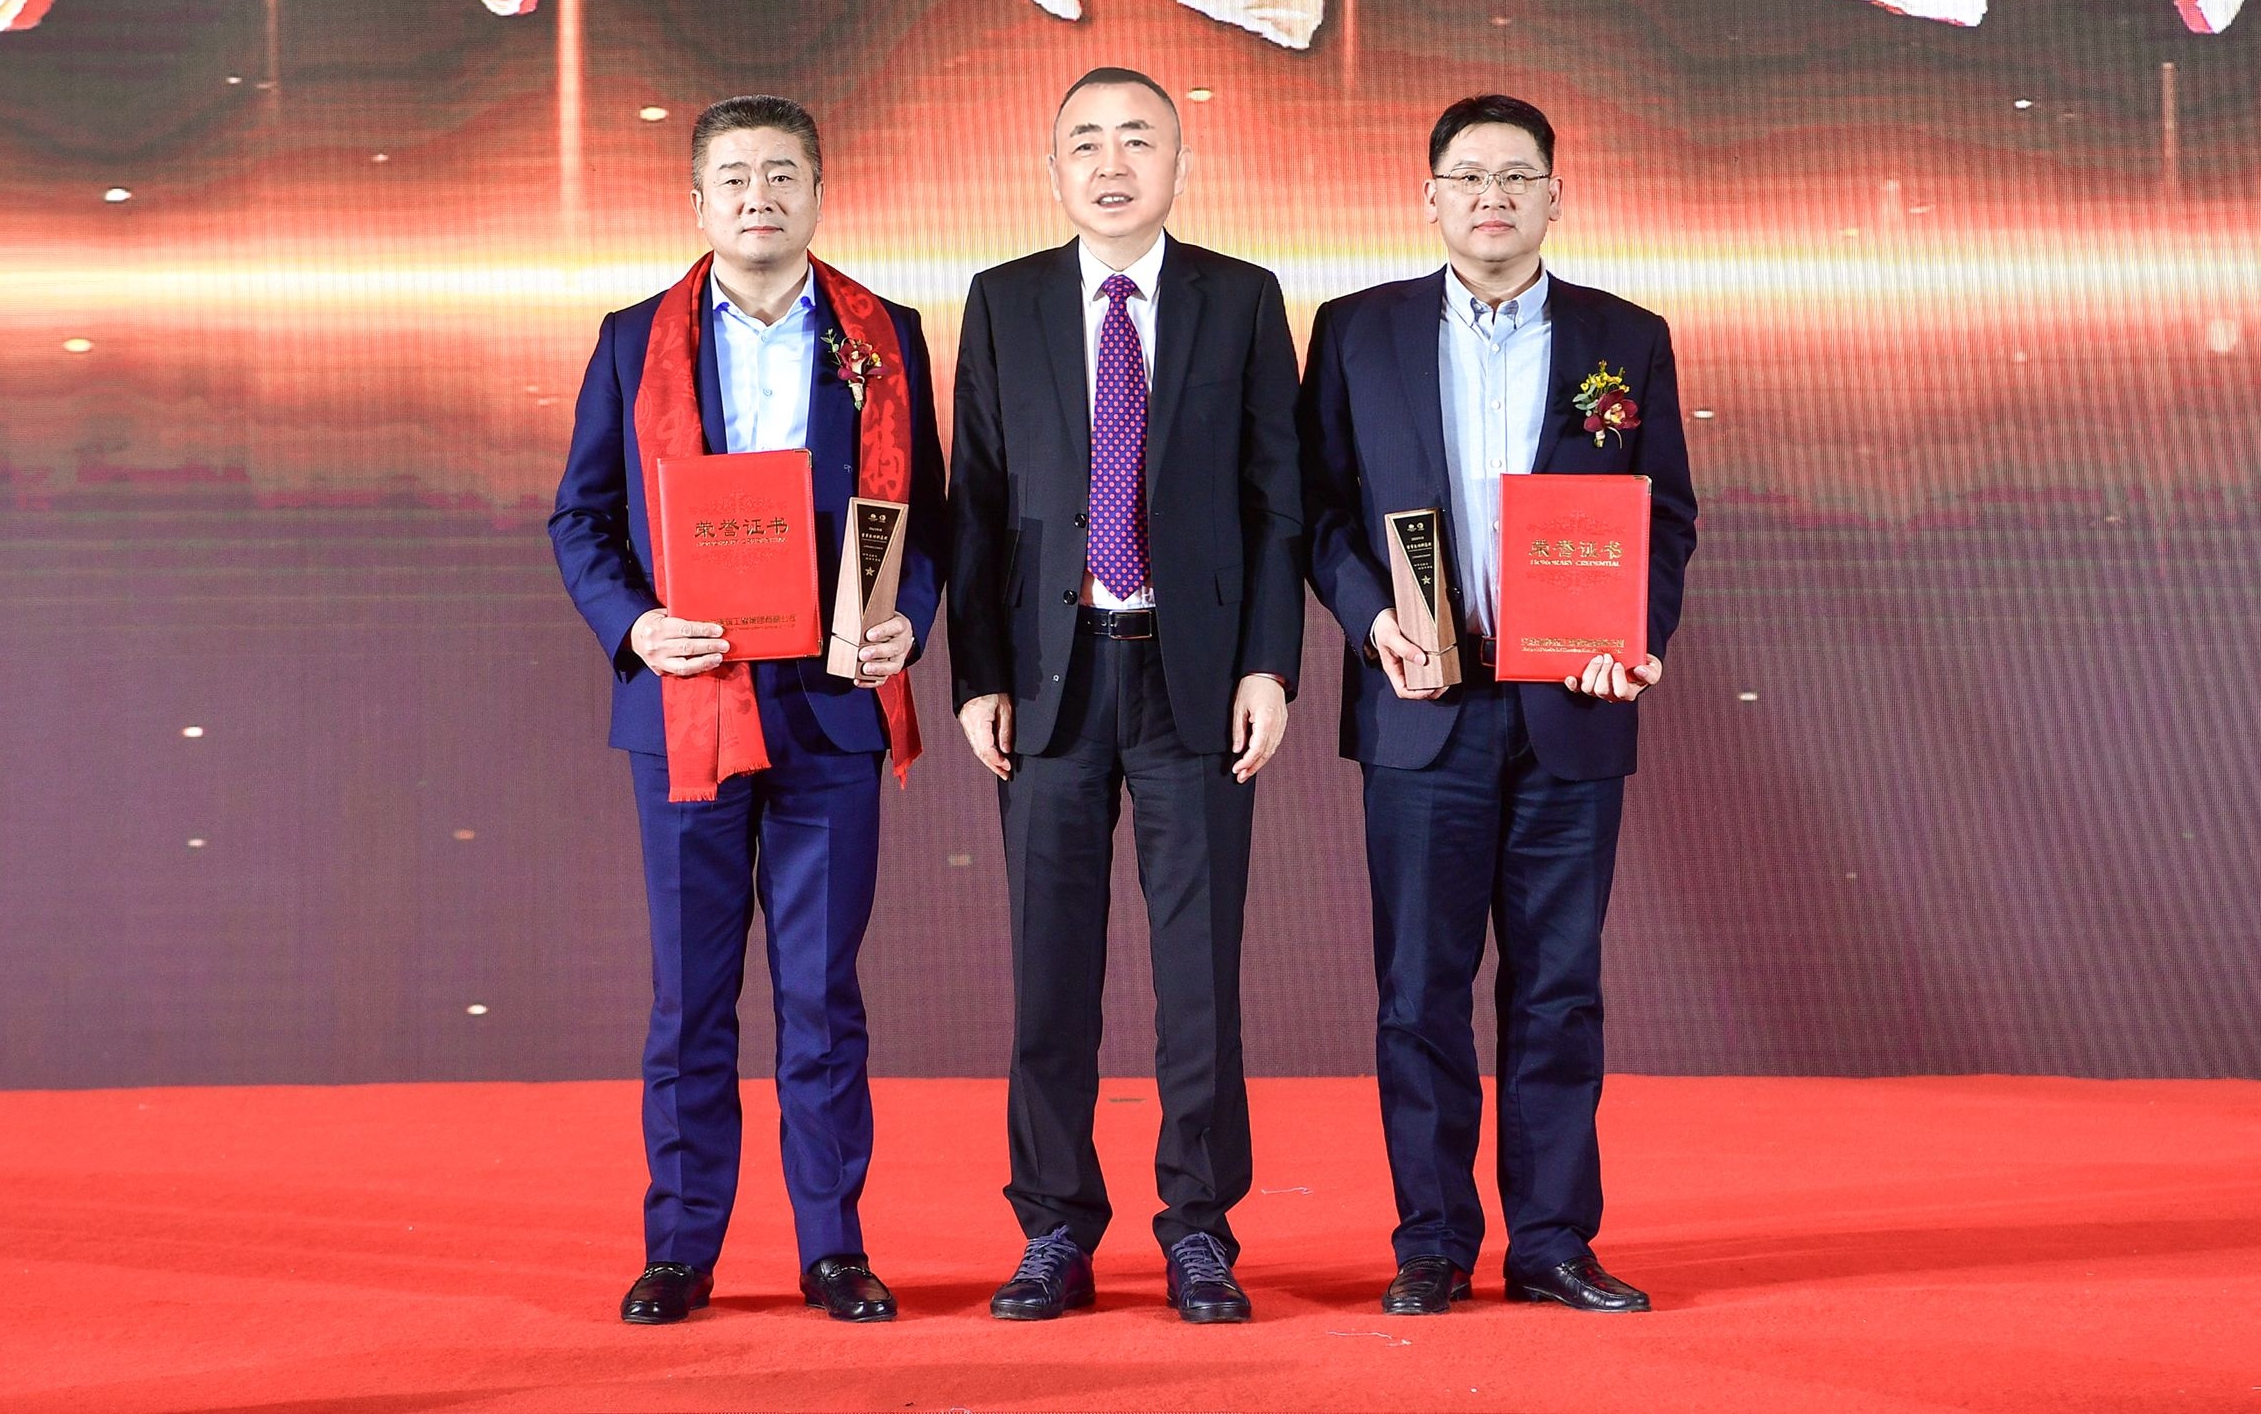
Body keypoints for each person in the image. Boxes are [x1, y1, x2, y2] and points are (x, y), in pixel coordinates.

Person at [549, 95, 947, 1327]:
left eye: (782, 173)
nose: (758, 196)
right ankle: (680, 1247)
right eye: (734, 177)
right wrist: (634, 626)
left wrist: (904, 619)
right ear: (698, 200)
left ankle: (834, 1248)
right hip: (689, 703)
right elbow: (581, 518)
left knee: (822, 996)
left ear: (819, 193)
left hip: (831, 705)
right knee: (691, 995)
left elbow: (929, 523)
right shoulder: (634, 339)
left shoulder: (884, 336)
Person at [1297, 93, 1696, 1317]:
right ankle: (1430, 1242)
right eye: (1468, 176)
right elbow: (1317, 513)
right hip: (1423, 709)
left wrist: (1630, 640)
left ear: (1554, 198)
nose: (1492, 197)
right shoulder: (1356, 331)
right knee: (1420, 990)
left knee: (1558, 987)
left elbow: (1664, 519)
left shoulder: (1624, 336)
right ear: (1429, 197)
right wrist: (1371, 618)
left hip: (1569, 708)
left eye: (1517, 177)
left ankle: (1552, 1242)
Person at [948, 66, 1307, 1324]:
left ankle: (1199, 1228)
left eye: (1138, 140)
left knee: (1197, 973)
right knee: (1050, 970)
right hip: (1048, 681)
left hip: (1191, 678)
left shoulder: (1241, 298)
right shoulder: (1002, 301)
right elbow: (976, 503)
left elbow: (1278, 501)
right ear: (1053, 168)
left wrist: (1269, 663)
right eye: (1087, 143)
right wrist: (978, 675)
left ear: (1178, 163)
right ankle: (1054, 1224)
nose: (1112, 164)